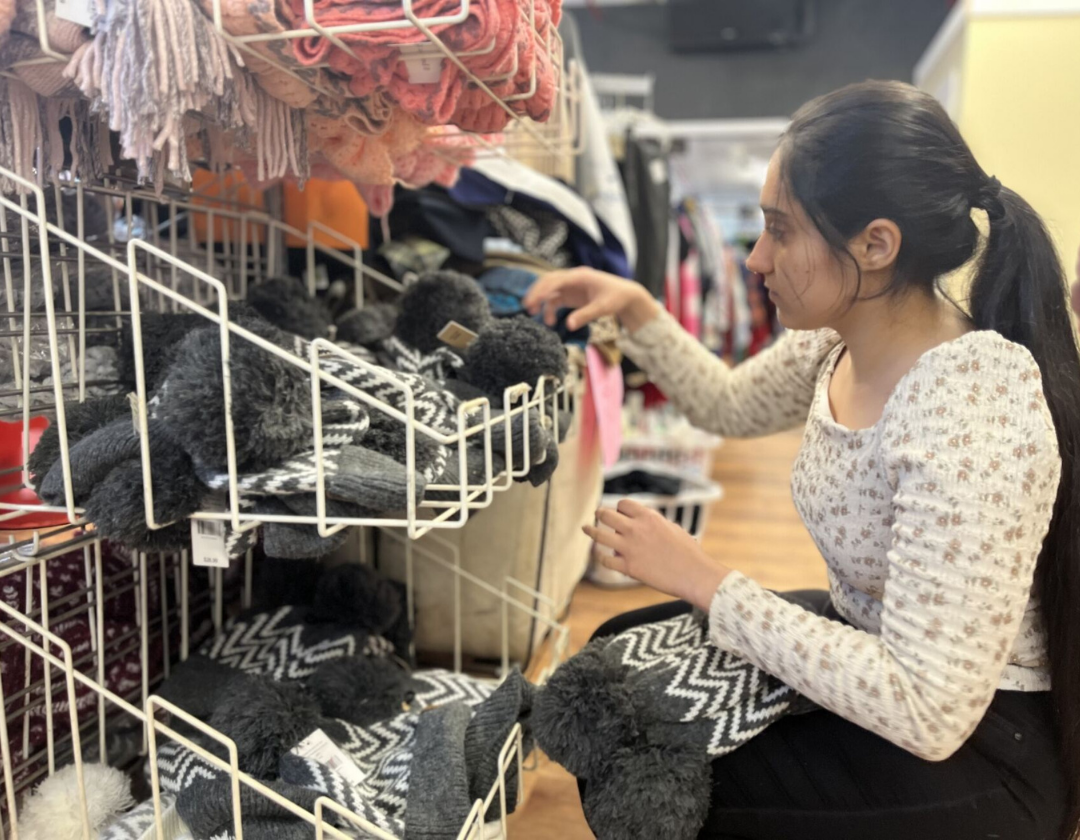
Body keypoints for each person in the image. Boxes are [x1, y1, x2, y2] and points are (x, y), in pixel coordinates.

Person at [524, 80, 1079, 840]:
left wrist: (708, 580)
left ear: (876, 245)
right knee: (613, 665)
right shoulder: (836, 342)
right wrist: (636, 310)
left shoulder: (970, 407)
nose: (755, 259)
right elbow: (726, 403)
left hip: (979, 750)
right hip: (878, 660)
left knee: (654, 774)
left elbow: (928, 709)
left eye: (780, 231)